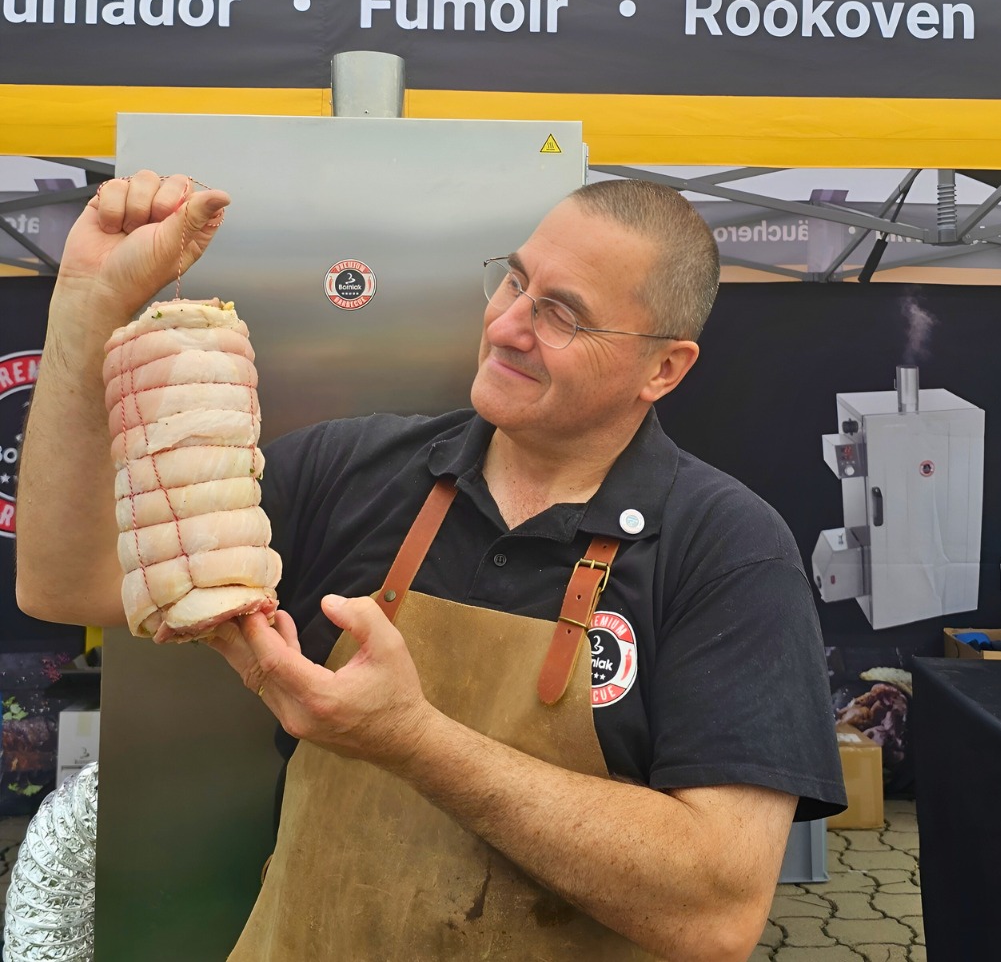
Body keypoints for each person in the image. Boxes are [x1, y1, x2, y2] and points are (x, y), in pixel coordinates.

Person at [16, 170, 845, 962]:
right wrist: (86, 302)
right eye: (514, 281)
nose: (508, 326)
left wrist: (412, 740)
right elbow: (65, 582)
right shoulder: (352, 469)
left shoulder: (728, 551)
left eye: (563, 315)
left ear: (664, 368)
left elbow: (717, 913)